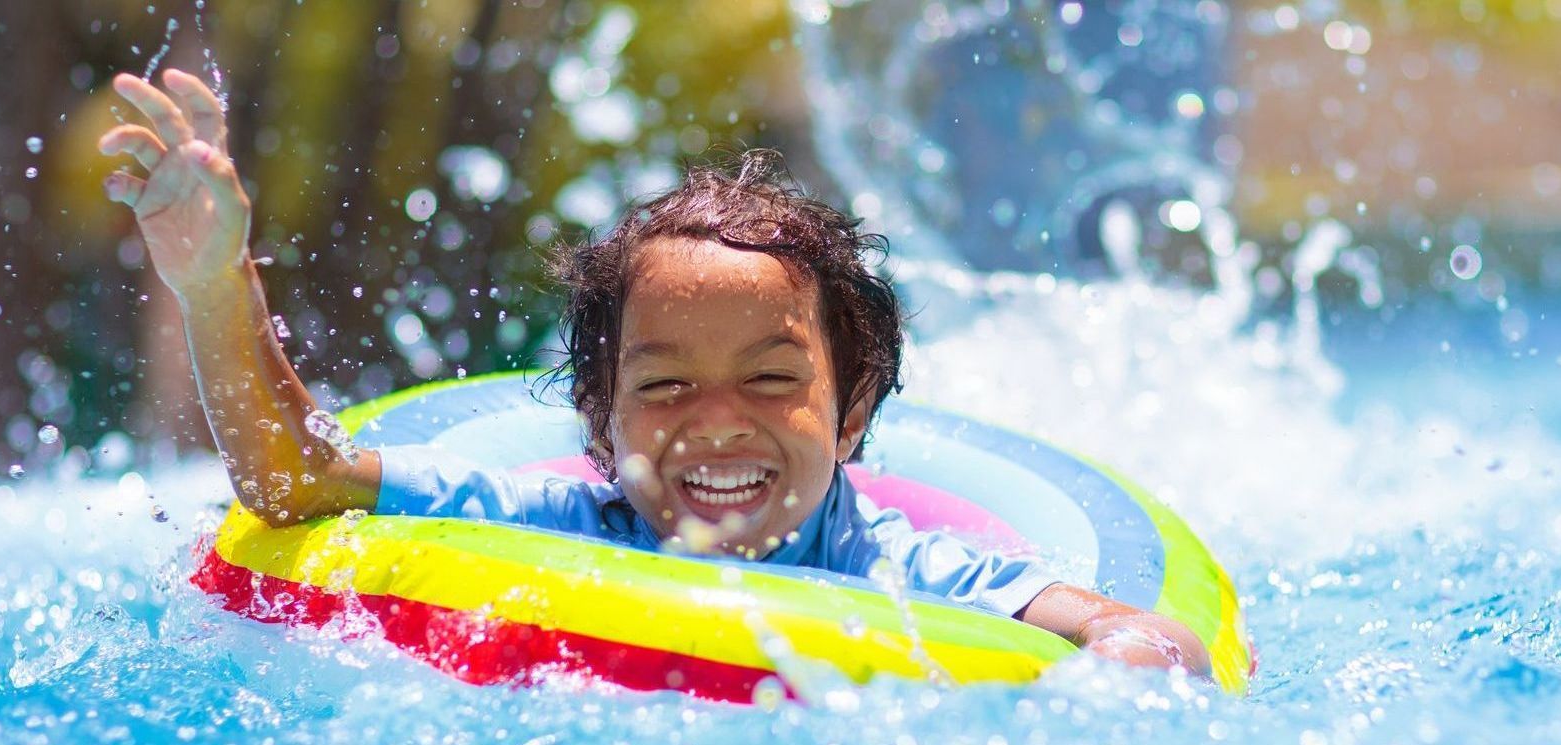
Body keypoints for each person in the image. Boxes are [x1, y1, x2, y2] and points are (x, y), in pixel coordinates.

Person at [98, 68, 1211, 678]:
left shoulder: (908, 572)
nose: (717, 425)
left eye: (773, 380)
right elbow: (296, 480)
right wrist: (213, 285)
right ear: (600, 417)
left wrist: (1125, 656)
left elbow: (1127, 626)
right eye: (666, 385)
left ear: (853, 405)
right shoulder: (553, 525)